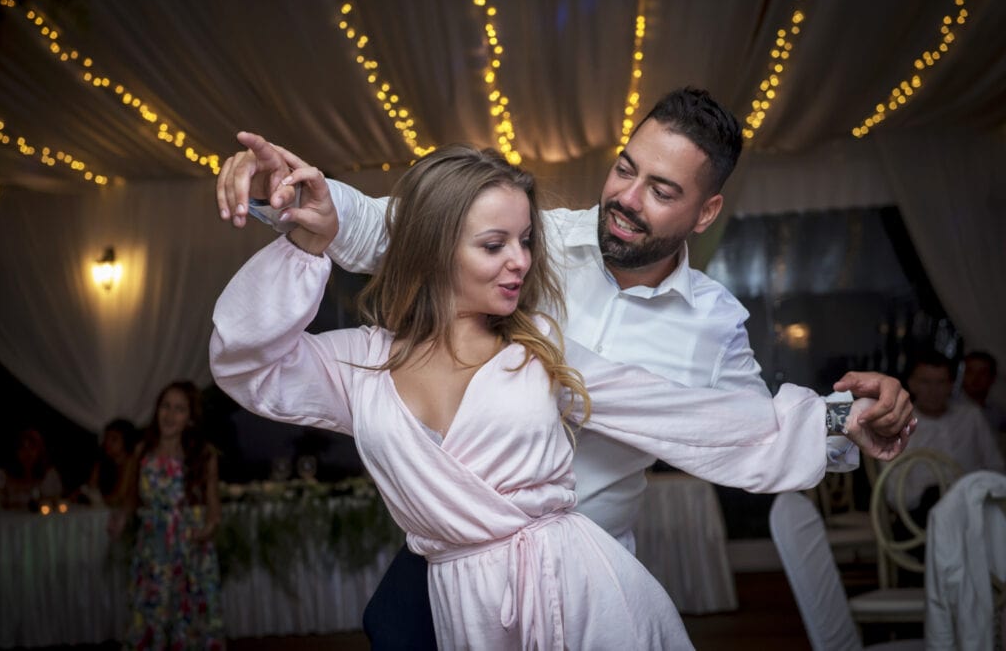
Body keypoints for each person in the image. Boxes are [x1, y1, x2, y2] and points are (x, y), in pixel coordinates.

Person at [216, 87, 916, 647]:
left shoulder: (712, 325)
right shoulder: (534, 239)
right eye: (624, 168)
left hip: (585, 571)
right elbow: (397, 227)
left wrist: (845, 417)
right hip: (452, 554)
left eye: (662, 191)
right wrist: (301, 205)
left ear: (706, 212)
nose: (627, 199)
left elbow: (735, 429)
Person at [111, 381, 224, 650]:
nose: (170, 415)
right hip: (152, 550)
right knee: (151, 617)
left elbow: (214, 508)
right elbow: (130, 500)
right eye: (165, 407)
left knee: (190, 623)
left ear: (190, 418)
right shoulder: (141, 452)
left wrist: (208, 528)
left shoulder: (203, 455)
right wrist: (121, 519)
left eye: (179, 409)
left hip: (190, 550)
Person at [896, 351, 1005, 512]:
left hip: (976, 504)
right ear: (912, 384)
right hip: (922, 511)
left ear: (951, 384)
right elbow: (894, 490)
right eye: (925, 382)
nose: (934, 390)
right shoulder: (897, 424)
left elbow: (996, 466)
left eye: (941, 382)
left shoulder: (971, 416)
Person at [0, 426, 63, 511]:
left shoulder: (50, 475)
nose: (27, 453)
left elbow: (57, 501)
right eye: (22, 448)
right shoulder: (4, 476)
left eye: (32, 448)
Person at [79, 417, 137, 507]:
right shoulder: (105, 462)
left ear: (127, 441)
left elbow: (119, 497)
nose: (107, 443)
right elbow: (90, 488)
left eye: (114, 439)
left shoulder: (131, 463)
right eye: (106, 438)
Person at [960, 350, 1006, 452]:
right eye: (970, 371)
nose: (975, 378)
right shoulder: (949, 406)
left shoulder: (997, 411)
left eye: (982, 373)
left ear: (992, 378)